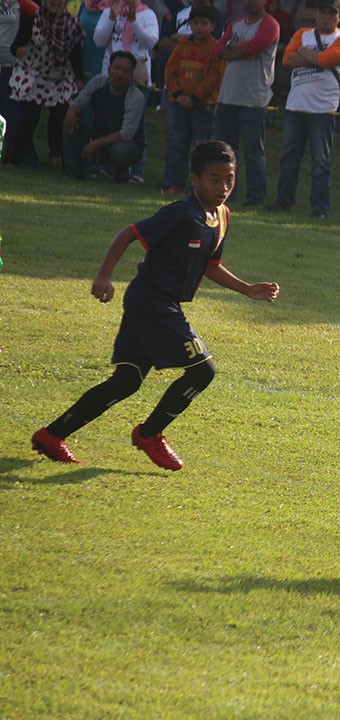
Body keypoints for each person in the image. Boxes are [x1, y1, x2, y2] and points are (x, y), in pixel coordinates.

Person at [31, 140, 280, 471]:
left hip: (158, 303)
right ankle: (150, 434)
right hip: (152, 302)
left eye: (229, 179)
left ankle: (52, 435)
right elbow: (129, 233)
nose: (223, 187)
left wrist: (247, 289)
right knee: (203, 370)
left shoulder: (222, 216)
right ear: (195, 179)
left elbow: (210, 265)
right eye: (214, 178)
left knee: (126, 381)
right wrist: (104, 276)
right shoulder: (181, 212)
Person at [266, 0, 340, 220]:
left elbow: (326, 60)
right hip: (296, 105)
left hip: (324, 109)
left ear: (339, 17)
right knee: (289, 157)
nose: (326, 17)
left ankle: (320, 208)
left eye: (331, 14)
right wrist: (314, 58)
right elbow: (286, 59)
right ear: (315, 14)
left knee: (321, 160)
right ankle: (283, 201)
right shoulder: (302, 33)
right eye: (322, 12)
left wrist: (304, 54)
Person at [3, 0, 83, 169]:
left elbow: (76, 54)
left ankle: (55, 157)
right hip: (34, 74)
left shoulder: (72, 24)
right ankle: (13, 159)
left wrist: (79, 78)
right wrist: (19, 50)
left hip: (59, 77)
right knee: (29, 117)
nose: (56, 2)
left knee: (58, 117)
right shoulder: (33, 20)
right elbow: (15, 46)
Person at [214, 0, 279, 207]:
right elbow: (217, 49)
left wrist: (235, 51)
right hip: (228, 96)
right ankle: (225, 194)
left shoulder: (270, 24)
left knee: (253, 151)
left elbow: (255, 46)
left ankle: (255, 198)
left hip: (253, 98)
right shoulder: (235, 24)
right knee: (225, 151)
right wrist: (236, 51)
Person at [160, 5, 223, 194]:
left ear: (212, 26)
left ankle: (200, 186)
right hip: (178, 102)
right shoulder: (183, 45)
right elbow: (170, 71)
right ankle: (174, 183)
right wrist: (178, 94)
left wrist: (194, 98)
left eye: (204, 23)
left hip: (202, 105)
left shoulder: (215, 48)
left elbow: (214, 77)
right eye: (195, 23)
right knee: (177, 143)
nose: (199, 27)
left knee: (201, 147)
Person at [61, 49, 144, 180]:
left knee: (120, 151)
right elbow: (79, 103)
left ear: (131, 74)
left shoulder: (136, 97)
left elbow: (127, 133)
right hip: (98, 134)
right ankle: (73, 171)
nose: (120, 74)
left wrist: (94, 144)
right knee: (70, 122)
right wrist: (71, 112)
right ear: (109, 69)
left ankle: (119, 172)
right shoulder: (98, 82)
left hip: (125, 144)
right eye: (117, 68)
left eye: (125, 70)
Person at [1, 0, 42, 168]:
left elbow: (43, 16)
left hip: (11, 64)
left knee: (13, 113)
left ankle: (12, 153)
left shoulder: (20, 2)